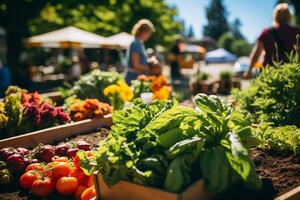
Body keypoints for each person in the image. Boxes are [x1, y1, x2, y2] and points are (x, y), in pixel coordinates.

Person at [244, 3, 300, 78]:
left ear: (275, 16)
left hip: (269, 75)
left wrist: (249, 71)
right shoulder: (296, 32)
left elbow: (256, 54)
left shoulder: (267, 32)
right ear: (289, 17)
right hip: (290, 76)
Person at [126, 19, 160, 84]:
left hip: (136, 78)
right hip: (133, 79)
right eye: (149, 33)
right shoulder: (136, 43)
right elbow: (136, 65)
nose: (149, 36)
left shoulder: (140, 43)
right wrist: (152, 69)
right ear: (144, 32)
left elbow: (140, 61)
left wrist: (150, 61)